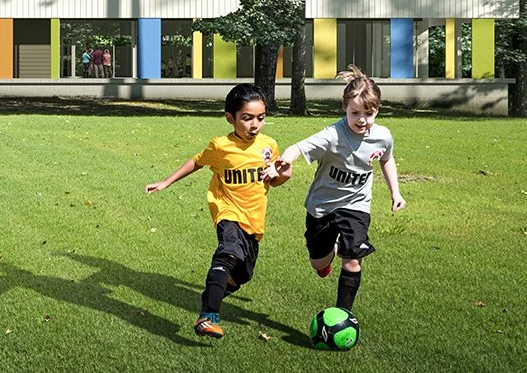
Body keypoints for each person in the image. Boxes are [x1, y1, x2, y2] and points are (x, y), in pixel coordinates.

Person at [145, 83, 287, 339]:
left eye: (261, 118)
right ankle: (208, 315)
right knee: (229, 252)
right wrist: (166, 182)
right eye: (247, 118)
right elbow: (196, 162)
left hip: (254, 220)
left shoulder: (269, 146)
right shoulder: (221, 146)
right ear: (230, 118)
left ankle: (212, 293)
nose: (255, 124)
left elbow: (275, 180)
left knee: (242, 275)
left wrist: (282, 174)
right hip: (227, 211)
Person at [273, 65, 406, 314]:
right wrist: (285, 160)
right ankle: (330, 253)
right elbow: (298, 147)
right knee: (318, 262)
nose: (362, 119)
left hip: (356, 205)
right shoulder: (332, 135)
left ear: (377, 110)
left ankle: (343, 315)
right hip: (322, 207)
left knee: (353, 260)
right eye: (355, 113)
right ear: (344, 107)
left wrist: (395, 193)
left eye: (369, 113)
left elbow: (387, 159)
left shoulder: (383, 136)